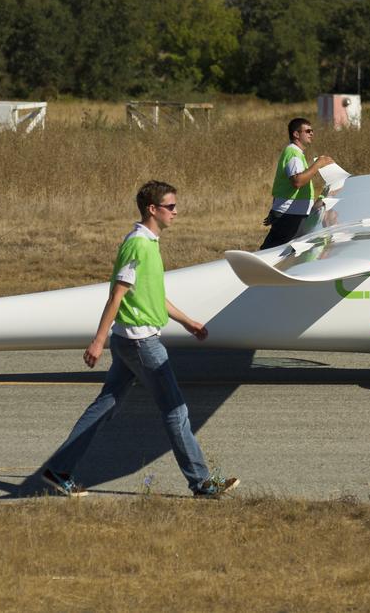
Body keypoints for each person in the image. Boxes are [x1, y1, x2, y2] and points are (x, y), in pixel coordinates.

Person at [41, 180, 239, 499]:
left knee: (106, 405)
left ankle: (58, 470)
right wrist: (97, 340)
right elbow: (117, 295)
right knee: (176, 411)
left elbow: (152, 295)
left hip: (131, 339)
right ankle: (202, 482)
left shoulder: (149, 243)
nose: (176, 212)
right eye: (170, 206)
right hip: (140, 342)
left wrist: (188, 321)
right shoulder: (138, 245)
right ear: (153, 209)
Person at [260, 117, 334, 250]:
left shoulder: (297, 153)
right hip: (289, 215)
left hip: (292, 214)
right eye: (308, 131)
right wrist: (317, 165)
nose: (312, 133)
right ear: (296, 134)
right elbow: (297, 182)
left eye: (312, 131)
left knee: (283, 253)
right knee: (272, 254)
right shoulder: (293, 153)